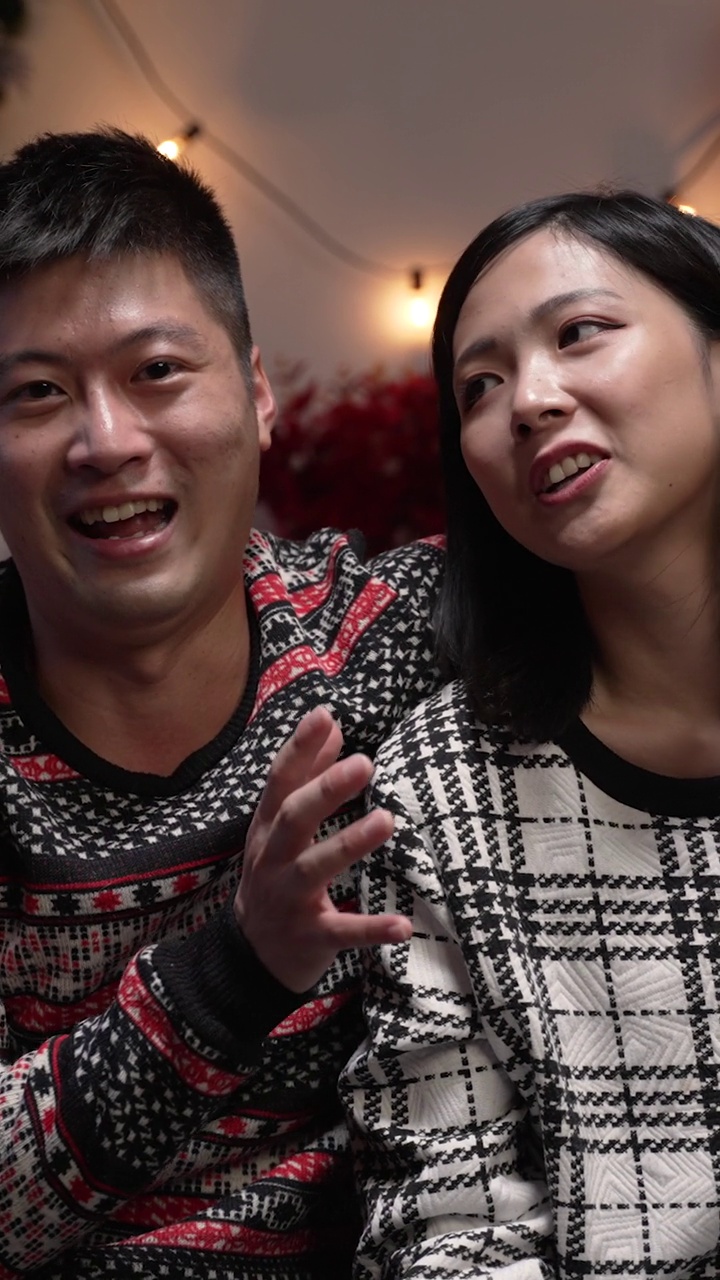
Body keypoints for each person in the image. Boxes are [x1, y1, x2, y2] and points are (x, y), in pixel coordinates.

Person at [0, 127, 444, 1277]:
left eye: (156, 371)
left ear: (255, 397)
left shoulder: (386, 640)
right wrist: (238, 967)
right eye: (39, 392)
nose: (107, 440)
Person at [345, 191, 720, 1278]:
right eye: (480, 385)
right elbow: (446, 1225)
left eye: (579, 332)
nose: (529, 401)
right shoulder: (435, 791)